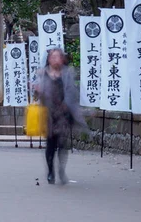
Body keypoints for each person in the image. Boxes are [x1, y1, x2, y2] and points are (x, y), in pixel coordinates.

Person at [32, 48, 85, 185]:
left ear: (62, 59)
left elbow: (73, 92)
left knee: (62, 144)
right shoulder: (42, 74)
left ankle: (61, 170)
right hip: (48, 113)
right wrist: (36, 90)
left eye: (58, 57)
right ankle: (51, 171)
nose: (55, 59)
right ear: (49, 59)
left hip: (64, 114)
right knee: (50, 144)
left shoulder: (67, 74)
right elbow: (35, 94)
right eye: (53, 57)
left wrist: (71, 105)